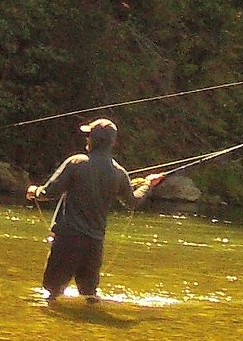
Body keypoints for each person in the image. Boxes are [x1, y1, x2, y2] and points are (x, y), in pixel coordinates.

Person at [25, 117, 159, 302]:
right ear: (112, 142)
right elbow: (132, 202)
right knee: (89, 294)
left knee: (52, 292)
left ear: (94, 140)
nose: (86, 139)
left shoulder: (77, 162)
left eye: (88, 136)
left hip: (68, 240)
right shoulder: (119, 173)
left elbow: (50, 192)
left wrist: (35, 191)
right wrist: (149, 184)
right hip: (94, 245)